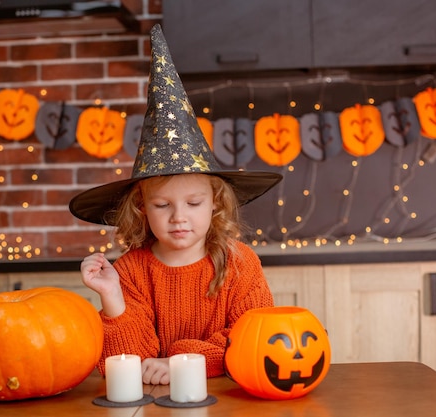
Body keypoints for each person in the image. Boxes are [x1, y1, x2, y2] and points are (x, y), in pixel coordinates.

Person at [69, 24, 283, 385]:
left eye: (194, 202)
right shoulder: (132, 272)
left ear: (215, 203)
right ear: (142, 208)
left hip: (229, 401)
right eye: (162, 205)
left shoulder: (240, 264)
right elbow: (123, 364)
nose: (179, 217)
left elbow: (254, 338)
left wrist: (184, 360)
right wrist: (112, 295)